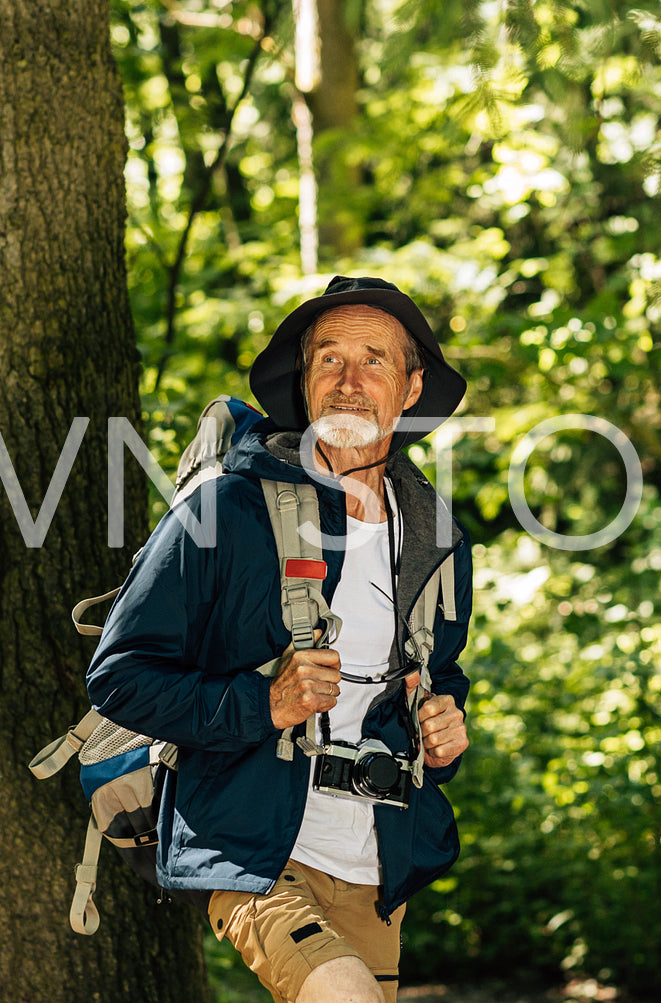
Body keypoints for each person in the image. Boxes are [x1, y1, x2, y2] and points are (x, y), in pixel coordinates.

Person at [86, 276, 472, 1003]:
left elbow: (438, 675)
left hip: (375, 861)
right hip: (254, 846)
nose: (349, 382)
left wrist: (444, 728)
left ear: (412, 386)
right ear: (304, 380)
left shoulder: (436, 535)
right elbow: (118, 677)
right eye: (329, 359)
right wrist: (262, 703)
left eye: (374, 360)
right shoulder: (227, 508)